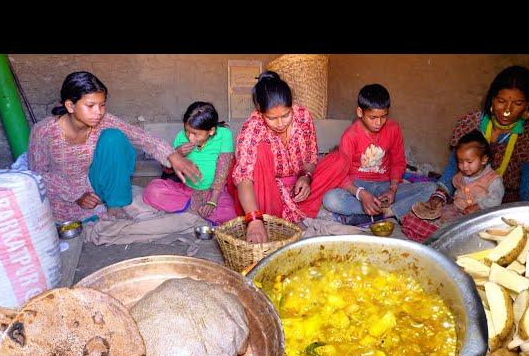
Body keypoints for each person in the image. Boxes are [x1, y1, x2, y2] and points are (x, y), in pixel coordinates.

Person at [27, 71, 201, 222]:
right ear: (70, 105)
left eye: (102, 104)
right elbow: (38, 174)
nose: (99, 112)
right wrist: (76, 196)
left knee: (114, 138)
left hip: (95, 183)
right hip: (64, 193)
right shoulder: (44, 131)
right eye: (90, 106)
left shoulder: (103, 121)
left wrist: (173, 156)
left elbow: (139, 136)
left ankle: (115, 204)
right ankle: (98, 208)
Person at [228, 71, 349, 243]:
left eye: (286, 115)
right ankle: (267, 216)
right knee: (261, 151)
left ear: (292, 106)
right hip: (267, 189)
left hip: (297, 188)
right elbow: (244, 178)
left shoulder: (303, 116)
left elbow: (310, 157)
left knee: (339, 159)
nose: (280, 123)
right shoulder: (252, 127)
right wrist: (254, 220)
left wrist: (306, 177)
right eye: (272, 118)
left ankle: (292, 211)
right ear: (260, 112)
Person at [419, 65, 529, 216]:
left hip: (501, 205)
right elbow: (453, 168)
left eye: (517, 104)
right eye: (501, 101)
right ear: (492, 99)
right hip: (464, 197)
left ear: (528, 105)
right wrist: (440, 195)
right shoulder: (471, 123)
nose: (507, 110)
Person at [321, 83, 437, 225]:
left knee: (431, 188)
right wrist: (362, 194)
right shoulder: (350, 136)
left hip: (384, 185)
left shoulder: (393, 129)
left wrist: (392, 190)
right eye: (373, 117)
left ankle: (386, 212)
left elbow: (398, 162)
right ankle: (384, 211)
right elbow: (342, 175)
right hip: (358, 184)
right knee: (330, 199)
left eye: (384, 117)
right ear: (360, 112)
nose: (379, 123)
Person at [142, 101, 236, 224]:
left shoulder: (224, 135)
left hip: (215, 192)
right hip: (186, 190)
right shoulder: (181, 137)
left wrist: (212, 201)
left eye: (196, 134)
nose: (190, 137)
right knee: (152, 190)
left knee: (229, 214)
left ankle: (190, 211)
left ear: (211, 131)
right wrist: (177, 153)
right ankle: (195, 211)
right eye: (187, 131)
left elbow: (223, 169)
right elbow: (167, 170)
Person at [404, 130, 504, 241]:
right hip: (455, 211)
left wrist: (478, 206)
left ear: (484, 160)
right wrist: (439, 199)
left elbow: (495, 199)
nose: (464, 166)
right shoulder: (459, 176)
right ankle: (435, 234)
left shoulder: (493, 179)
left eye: (469, 162)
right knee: (414, 218)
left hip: (477, 217)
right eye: (461, 162)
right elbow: (450, 188)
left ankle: (441, 236)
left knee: (460, 233)